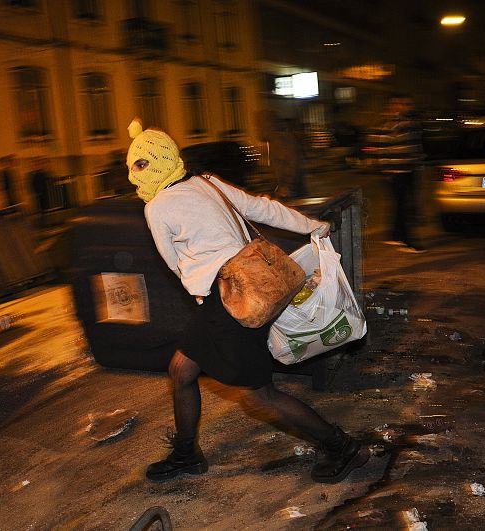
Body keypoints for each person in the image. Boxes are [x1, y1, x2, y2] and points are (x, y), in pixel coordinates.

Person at [125, 118, 370, 484]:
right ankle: (187, 453)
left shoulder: (157, 207)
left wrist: (211, 306)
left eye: (137, 167)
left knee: (260, 396)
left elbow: (175, 266)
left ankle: (342, 448)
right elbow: (262, 208)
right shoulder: (206, 182)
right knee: (181, 369)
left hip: (226, 302)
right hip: (252, 286)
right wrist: (310, 225)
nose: (134, 176)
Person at [368, 93, 427, 253]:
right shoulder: (389, 124)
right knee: (404, 206)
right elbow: (381, 149)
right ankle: (408, 241)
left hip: (410, 170)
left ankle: (395, 235)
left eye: (405, 104)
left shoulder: (412, 122)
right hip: (397, 172)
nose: (402, 107)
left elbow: (416, 146)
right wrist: (386, 171)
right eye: (399, 104)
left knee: (402, 205)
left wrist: (418, 164)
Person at [257, 110, 308, 200]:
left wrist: (286, 187)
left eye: (259, 126)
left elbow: (293, 164)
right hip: (288, 192)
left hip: (292, 193)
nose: (257, 129)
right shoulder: (274, 140)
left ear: (268, 124)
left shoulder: (280, 140)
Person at [28, 156, 51, 226]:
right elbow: (33, 184)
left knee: (44, 208)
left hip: (43, 194)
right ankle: (43, 222)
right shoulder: (36, 174)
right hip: (40, 194)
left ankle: (44, 221)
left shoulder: (41, 174)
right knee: (41, 208)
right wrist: (37, 192)